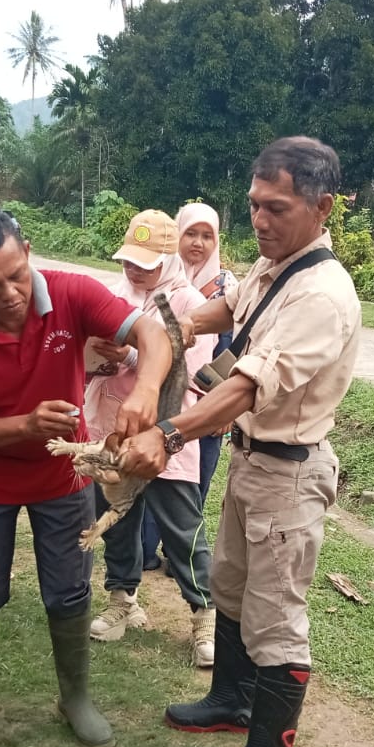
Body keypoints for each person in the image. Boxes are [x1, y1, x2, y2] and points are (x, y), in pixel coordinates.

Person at [122, 137, 362, 747]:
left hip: (291, 473)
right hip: (251, 461)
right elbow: (225, 311)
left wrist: (168, 432)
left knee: (275, 612)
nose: (260, 219)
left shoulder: (323, 296)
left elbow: (243, 389)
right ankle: (230, 698)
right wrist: (164, 329)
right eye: (254, 204)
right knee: (229, 584)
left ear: (322, 207)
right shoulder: (272, 265)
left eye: (276, 208)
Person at [0, 204, 172, 747]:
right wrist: (26, 425)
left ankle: (75, 697)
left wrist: (146, 389)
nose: (10, 294)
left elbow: (152, 333)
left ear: (28, 253)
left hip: (63, 475)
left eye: (17, 274)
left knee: (68, 585)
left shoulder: (70, 294)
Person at [83, 209, 217, 666]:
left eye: (146, 263)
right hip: (113, 429)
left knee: (182, 529)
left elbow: (189, 372)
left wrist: (130, 355)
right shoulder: (112, 296)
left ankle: (205, 617)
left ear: (168, 258)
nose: (134, 270)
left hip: (166, 432)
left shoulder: (189, 304)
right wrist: (100, 360)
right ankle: (122, 600)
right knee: (116, 520)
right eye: (128, 260)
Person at [139, 203, 234, 570]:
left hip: (209, 402)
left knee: (194, 481)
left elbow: (238, 352)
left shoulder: (228, 290)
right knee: (159, 472)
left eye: (207, 236)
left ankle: (179, 554)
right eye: (190, 233)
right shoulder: (158, 281)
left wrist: (227, 410)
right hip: (164, 400)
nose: (198, 243)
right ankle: (145, 551)